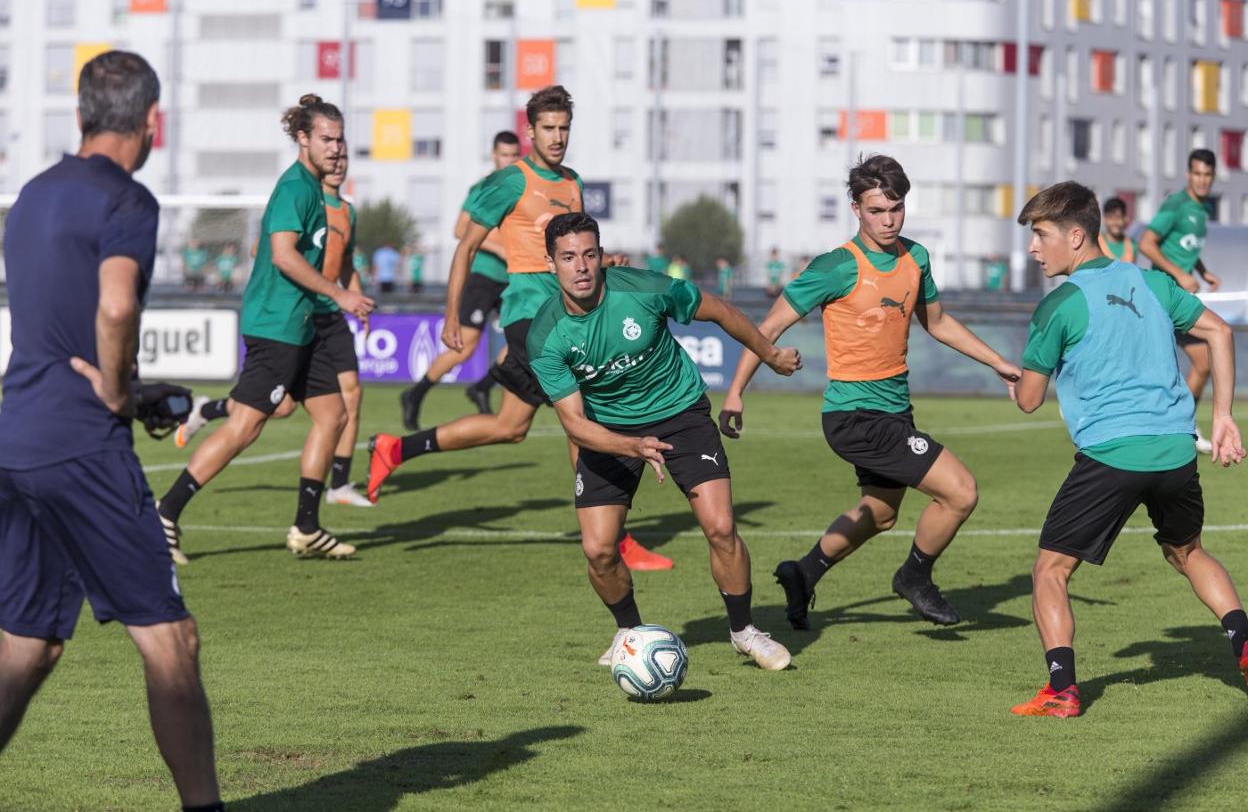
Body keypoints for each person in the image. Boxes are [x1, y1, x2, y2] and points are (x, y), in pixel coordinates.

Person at [0, 50, 222, 811]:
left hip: (16, 436)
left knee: (28, 646)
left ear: (80, 116)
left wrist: (125, 389)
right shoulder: (127, 200)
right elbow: (117, 306)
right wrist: (121, 390)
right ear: (152, 121)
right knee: (171, 641)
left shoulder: (30, 195)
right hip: (81, 447)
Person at [366, 85, 673, 572]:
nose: (557, 137)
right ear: (531, 131)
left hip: (563, 315)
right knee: (586, 421)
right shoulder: (511, 181)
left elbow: (571, 249)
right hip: (529, 318)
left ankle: (395, 448)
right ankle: (614, 541)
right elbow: (465, 245)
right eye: (548, 128)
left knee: (510, 427)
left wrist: (603, 260)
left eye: (564, 128)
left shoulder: (572, 182)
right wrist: (450, 315)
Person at [721, 154, 1021, 632]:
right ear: (856, 208)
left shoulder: (915, 257)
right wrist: (736, 391)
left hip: (894, 411)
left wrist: (999, 363)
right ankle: (914, 576)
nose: (888, 220)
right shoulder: (836, 266)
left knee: (879, 513)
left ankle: (804, 572)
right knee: (961, 492)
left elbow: (938, 322)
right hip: (854, 416)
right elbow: (768, 327)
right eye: (877, 210)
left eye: (896, 208)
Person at [1010, 181, 1247, 718]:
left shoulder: (1060, 305)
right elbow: (1221, 334)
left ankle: (1062, 691)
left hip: (1112, 457)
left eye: (1040, 235)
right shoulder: (1151, 282)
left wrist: (1017, 378)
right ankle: (1245, 642)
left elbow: (1028, 399)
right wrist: (1224, 416)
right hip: (1174, 452)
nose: (1032, 247)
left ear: (1075, 236)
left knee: (1050, 571)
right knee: (1188, 552)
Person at [530, 212, 800, 669]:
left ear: (601, 256)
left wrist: (769, 354)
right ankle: (629, 632)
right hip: (608, 431)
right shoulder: (546, 335)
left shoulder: (645, 289)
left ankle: (744, 632)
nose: (581, 267)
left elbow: (719, 310)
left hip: (680, 414)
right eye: (568, 257)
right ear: (550, 263)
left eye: (590, 255)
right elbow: (575, 425)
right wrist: (631, 446)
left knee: (720, 527)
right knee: (598, 549)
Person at [156, 94, 375, 563]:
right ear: (303, 139)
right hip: (276, 326)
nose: (336, 148)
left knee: (332, 414)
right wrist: (340, 294)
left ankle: (307, 527)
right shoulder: (296, 187)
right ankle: (165, 512)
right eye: (326, 139)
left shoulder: (316, 189)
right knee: (245, 427)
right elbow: (282, 255)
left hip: (303, 325)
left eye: (340, 139)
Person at [174, 151, 375, 507]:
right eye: (329, 145)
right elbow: (269, 251)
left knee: (345, 401)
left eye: (343, 152)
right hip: (296, 314)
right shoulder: (299, 195)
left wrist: (354, 298)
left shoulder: (347, 210)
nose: (338, 159)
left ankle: (333, 492)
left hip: (329, 312)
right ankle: (172, 498)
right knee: (272, 412)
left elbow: (345, 263)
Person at [400, 130, 521, 429]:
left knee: (523, 342)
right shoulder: (483, 187)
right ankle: (415, 394)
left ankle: (482, 385)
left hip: (514, 279)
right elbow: (459, 231)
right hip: (483, 276)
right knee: (464, 347)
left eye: (514, 155)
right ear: (494, 155)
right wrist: (501, 249)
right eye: (504, 154)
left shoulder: (522, 189)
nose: (509, 160)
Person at [1139, 149, 1222, 454]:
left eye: (1207, 175)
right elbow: (1146, 242)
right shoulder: (1177, 205)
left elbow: (1185, 247)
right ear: (1189, 174)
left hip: (1178, 297)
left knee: (1204, 362)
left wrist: (1203, 271)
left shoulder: (1201, 211)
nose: (1202, 180)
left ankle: (1182, 425)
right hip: (1162, 297)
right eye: (1197, 174)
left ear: (1213, 177)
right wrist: (1179, 275)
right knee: (1153, 368)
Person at [1098, 197, 1136, 263]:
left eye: (1118, 217)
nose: (1115, 222)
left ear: (1125, 218)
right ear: (1104, 219)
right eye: (1110, 217)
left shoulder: (1132, 245)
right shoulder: (1096, 243)